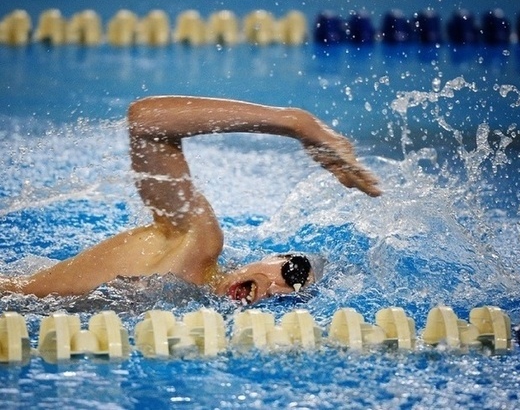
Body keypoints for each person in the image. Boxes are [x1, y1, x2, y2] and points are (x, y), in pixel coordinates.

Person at [1, 96, 381, 303]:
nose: (278, 287)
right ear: (269, 256)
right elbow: (146, 121)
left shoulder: (193, 296)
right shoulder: (200, 246)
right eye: (292, 272)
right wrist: (295, 123)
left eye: (292, 294)